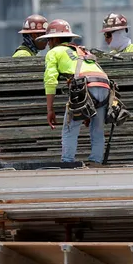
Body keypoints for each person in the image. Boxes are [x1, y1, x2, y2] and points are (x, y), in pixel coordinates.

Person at [40, 19, 114, 166]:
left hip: (84, 86)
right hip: (105, 85)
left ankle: (67, 163)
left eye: (49, 40)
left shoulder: (54, 52)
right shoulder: (82, 50)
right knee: (97, 129)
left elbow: (50, 81)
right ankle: (96, 162)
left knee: (70, 128)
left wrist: (50, 109)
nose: (48, 45)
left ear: (55, 39)